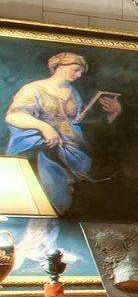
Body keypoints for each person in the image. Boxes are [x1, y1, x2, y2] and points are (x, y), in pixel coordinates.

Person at [5, 51, 119, 216]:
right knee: (47, 192)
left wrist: (113, 112)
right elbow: (13, 116)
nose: (78, 75)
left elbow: (78, 122)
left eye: (81, 72)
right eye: (75, 69)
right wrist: (45, 127)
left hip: (71, 147)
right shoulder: (34, 88)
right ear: (59, 66)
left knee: (77, 190)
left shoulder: (74, 93)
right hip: (43, 147)